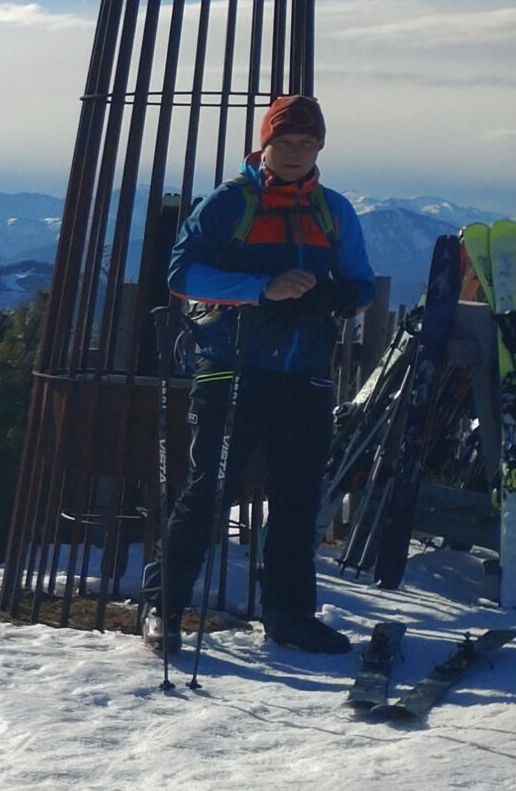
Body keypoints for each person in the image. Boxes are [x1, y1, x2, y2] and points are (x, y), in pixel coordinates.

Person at [147, 93, 376, 657]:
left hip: (304, 374)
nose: (296, 153)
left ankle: (288, 615)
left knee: (298, 497)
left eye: (307, 143)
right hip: (230, 365)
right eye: (285, 142)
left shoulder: (333, 210)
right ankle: (165, 607)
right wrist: (261, 291)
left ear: (320, 146)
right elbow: (181, 273)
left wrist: (330, 297)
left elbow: (362, 283)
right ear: (264, 145)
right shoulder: (231, 202)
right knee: (210, 490)